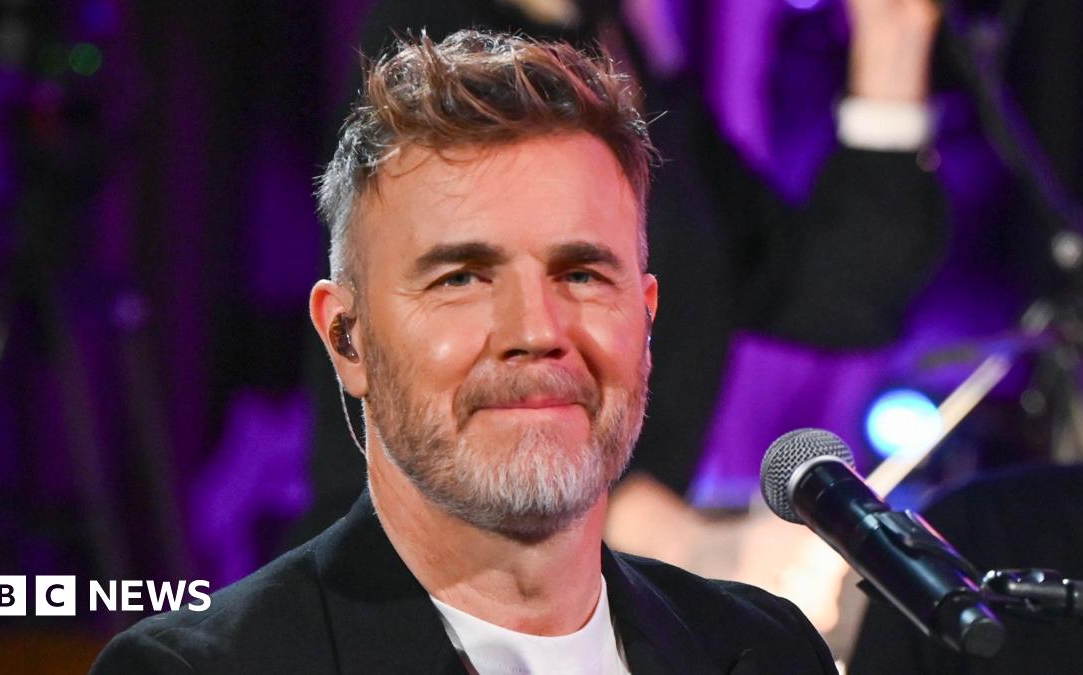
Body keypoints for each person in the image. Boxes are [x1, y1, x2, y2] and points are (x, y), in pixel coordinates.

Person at [91, 30, 836, 674]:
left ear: (644, 320)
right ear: (346, 338)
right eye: (462, 278)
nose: (536, 329)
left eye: (580, 273)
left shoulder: (767, 650)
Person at [299, 0, 948, 551]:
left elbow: (831, 290)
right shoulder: (439, 53)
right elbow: (448, 371)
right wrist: (655, 533)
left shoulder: (620, 49)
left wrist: (893, 37)